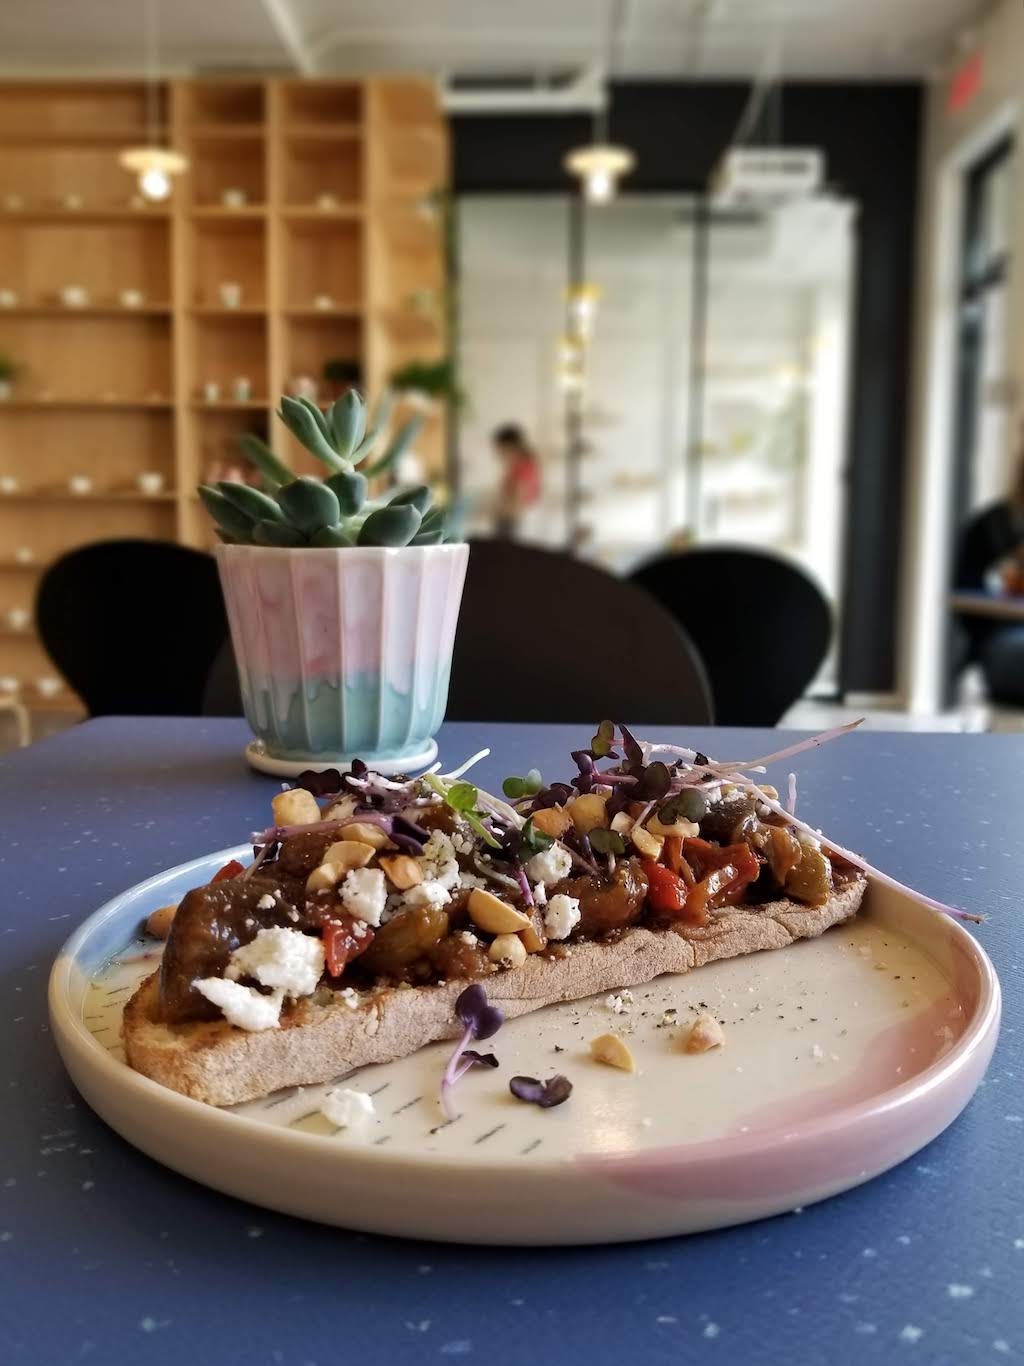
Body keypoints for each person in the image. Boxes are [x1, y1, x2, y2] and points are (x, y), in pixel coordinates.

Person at [492, 423, 541, 539]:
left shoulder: (522, 468)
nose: (498, 453)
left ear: (510, 446)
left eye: (500, 448)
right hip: (512, 521)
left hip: (512, 523)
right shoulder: (523, 465)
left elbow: (517, 505)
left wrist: (495, 509)